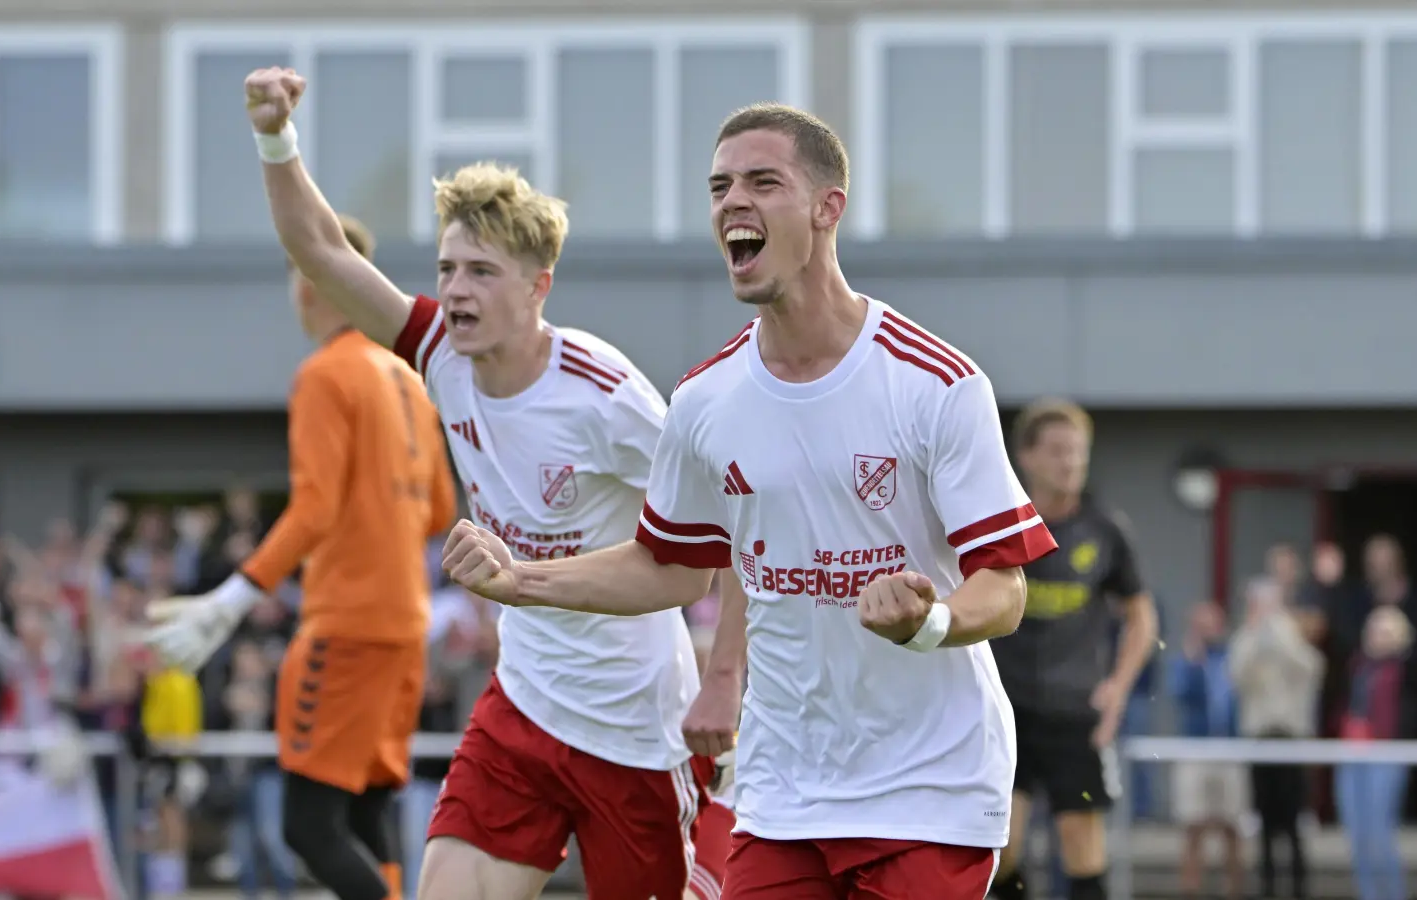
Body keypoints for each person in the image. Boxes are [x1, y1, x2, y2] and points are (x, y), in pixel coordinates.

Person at [441, 102, 1059, 899]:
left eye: (764, 182)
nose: (733, 202)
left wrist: (928, 621)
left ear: (827, 208)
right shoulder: (705, 399)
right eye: (719, 187)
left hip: (927, 791)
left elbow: (1004, 590)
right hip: (782, 793)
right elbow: (668, 568)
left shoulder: (937, 383)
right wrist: (518, 580)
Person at [233, 66, 735, 900]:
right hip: (524, 710)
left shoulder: (606, 396)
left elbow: (706, 551)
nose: (455, 290)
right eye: (448, 268)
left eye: (481, 272)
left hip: (634, 729)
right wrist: (274, 136)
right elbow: (320, 250)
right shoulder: (438, 356)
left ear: (539, 287)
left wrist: (724, 676)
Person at [141, 212, 458, 900]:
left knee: (310, 828)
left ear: (311, 279)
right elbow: (437, 511)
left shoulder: (326, 376)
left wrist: (228, 601)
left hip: (345, 627)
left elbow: (313, 508)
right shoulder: (408, 381)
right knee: (367, 813)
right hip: (404, 627)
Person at [986, 399, 1158, 900]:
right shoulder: (1000, 526)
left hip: (1075, 712)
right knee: (1003, 846)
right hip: (1007, 712)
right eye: (1058, 452)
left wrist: (1118, 688)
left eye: (1079, 453)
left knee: (1081, 845)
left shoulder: (1105, 531)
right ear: (1027, 457)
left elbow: (1142, 616)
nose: (1071, 463)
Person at [1230, 577, 1323, 900]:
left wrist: (1280, 633)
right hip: (1260, 735)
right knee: (1266, 818)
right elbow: (1238, 675)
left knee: (1293, 817)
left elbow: (1311, 668)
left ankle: (1299, 886)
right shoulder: (1246, 636)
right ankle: (1268, 886)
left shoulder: (1291, 632)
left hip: (1290, 734)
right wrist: (1256, 635)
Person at [1335, 604, 1413, 900]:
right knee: (1357, 837)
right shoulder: (1357, 665)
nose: (1377, 637)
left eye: (1385, 631)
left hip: (1385, 755)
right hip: (1352, 753)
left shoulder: (1404, 670)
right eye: (1373, 630)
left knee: (1380, 834)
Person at [1168, 601, 1244, 900]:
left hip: (1230, 748)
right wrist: (1193, 661)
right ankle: (1190, 889)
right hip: (1195, 749)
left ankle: (1234, 889)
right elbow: (1180, 695)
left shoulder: (1232, 657)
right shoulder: (1185, 661)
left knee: (1232, 825)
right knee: (1193, 824)